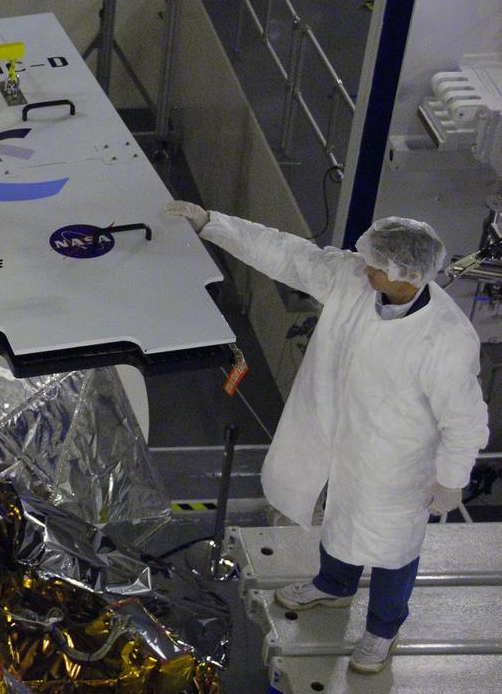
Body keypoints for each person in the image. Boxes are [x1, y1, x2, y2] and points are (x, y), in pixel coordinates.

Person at [164, 202, 489, 673]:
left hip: (398, 468)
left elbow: (465, 421)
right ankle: (334, 587)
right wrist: (212, 223)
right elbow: (291, 255)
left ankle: (382, 630)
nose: (366, 268)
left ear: (408, 276)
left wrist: (452, 479)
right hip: (341, 443)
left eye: (376, 265)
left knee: (393, 551)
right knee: (338, 519)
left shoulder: (447, 339)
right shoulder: (356, 282)